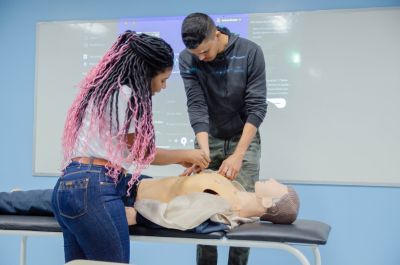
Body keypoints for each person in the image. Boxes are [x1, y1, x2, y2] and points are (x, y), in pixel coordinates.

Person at [51, 31, 210, 264]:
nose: (163, 87)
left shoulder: (100, 91)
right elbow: (141, 152)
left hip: (66, 186)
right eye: (163, 80)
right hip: (95, 188)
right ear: (146, 73)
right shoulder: (126, 94)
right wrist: (185, 154)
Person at [179, 12, 267, 265]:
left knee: (242, 213)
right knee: (203, 212)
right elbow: (196, 105)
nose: (202, 58)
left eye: (205, 52)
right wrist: (203, 152)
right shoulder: (188, 59)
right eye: (197, 55)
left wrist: (238, 155)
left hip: (243, 138)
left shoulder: (250, 52)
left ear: (216, 34)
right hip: (210, 135)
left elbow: (257, 107)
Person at [1, 172, 300, 231]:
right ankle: (22, 198)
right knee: (44, 196)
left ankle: (15, 200)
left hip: (122, 196)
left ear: (270, 199)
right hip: (130, 182)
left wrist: (140, 217)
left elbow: (175, 216)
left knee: (42, 199)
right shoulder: (234, 190)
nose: (276, 179)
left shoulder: (224, 206)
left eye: (279, 185)